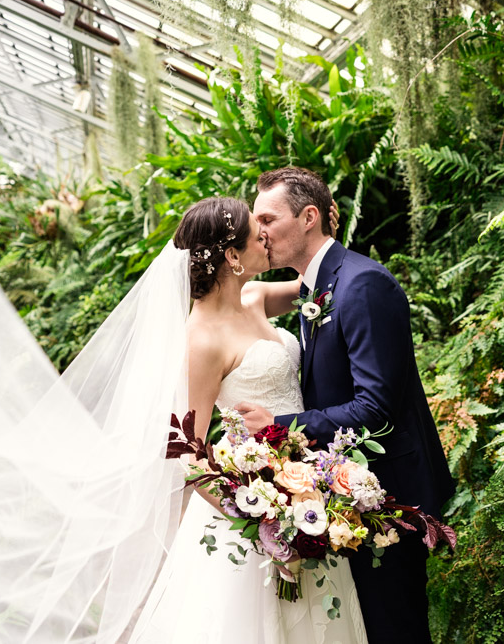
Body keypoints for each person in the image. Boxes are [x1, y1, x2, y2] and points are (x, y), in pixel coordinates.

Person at [129, 197, 368, 643]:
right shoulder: (200, 341)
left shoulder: (256, 297)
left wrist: (320, 236)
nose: (265, 233)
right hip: (255, 507)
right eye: (255, 228)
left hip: (307, 487)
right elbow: (187, 451)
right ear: (233, 256)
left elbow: (320, 281)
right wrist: (263, 522)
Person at [237, 167, 455, 644]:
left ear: (309, 217)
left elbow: (376, 407)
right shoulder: (314, 285)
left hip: (389, 500)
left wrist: (280, 423)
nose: (260, 232)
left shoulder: (362, 285)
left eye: (269, 219)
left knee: (394, 628)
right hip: (344, 499)